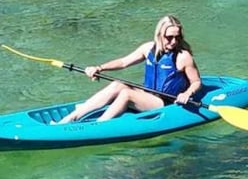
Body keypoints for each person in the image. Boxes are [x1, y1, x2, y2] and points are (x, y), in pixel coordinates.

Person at [57, 15, 201, 123]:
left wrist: (187, 94)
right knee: (117, 85)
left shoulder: (183, 56)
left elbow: (196, 82)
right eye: (169, 37)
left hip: (165, 102)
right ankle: (72, 117)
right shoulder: (148, 48)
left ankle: (100, 125)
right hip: (149, 95)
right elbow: (124, 62)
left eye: (177, 37)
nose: (174, 41)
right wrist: (99, 68)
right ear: (160, 35)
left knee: (127, 93)